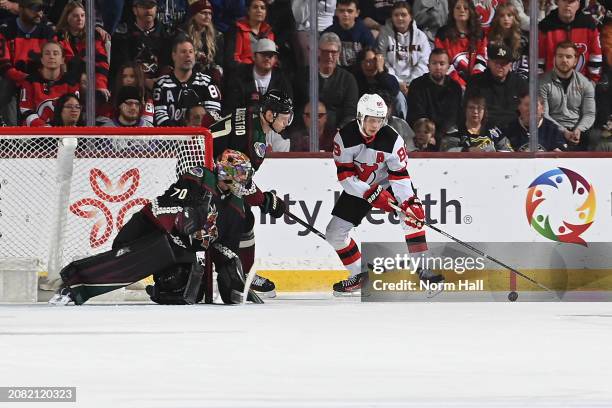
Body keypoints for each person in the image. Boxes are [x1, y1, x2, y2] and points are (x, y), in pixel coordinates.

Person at [49, 150, 256, 306]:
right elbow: (171, 209)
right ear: (227, 171)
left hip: (180, 251)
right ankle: (73, 285)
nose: (244, 179)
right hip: (150, 231)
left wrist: (234, 280)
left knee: (181, 288)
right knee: (146, 255)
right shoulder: (202, 177)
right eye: (240, 172)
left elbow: (225, 251)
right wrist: (187, 216)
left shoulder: (236, 209)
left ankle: (159, 288)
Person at [325, 93, 443, 295]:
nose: (375, 125)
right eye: (371, 120)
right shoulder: (344, 137)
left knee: (412, 217)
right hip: (358, 186)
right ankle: (361, 275)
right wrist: (369, 193)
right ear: (360, 117)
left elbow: (400, 175)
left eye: (379, 120)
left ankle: (425, 271)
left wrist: (409, 202)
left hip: (387, 182)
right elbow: (345, 176)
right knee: (334, 233)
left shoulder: (392, 140)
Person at [210, 89, 293, 297]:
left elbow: (235, 174)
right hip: (202, 176)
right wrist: (265, 200)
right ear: (269, 114)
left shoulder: (251, 118)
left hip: (206, 170)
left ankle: (242, 272)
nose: (286, 123)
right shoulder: (252, 137)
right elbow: (238, 180)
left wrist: (263, 199)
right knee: (240, 217)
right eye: (283, 118)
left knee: (244, 215)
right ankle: (239, 274)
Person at [0, 0, 55, 125]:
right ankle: (12, 135)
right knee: (7, 84)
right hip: (14, 80)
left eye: (42, 9)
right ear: (20, 8)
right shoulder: (5, 30)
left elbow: (57, 64)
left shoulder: (48, 32)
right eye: (35, 8)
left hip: (40, 80)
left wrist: (35, 79)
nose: (39, 13)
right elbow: (4, 67)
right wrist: (26, 78)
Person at [539, 40, 596, 151]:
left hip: (579, 131)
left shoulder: (585, 83)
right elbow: (543, 114)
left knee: (594, 137)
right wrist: (563, 131)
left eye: (568, 57)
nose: (564, 60)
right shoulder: (542, 82)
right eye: (560, 56)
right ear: (554, 58)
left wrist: (579, 129)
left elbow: (589, 113)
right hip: (552, 130)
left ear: (575, 61)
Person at [153, 37, 222, 127]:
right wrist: (180, 134)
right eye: (183, 52)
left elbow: (214, 114)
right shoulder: (161, 84)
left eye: (190, 52)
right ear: (174, 55)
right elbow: (159, 116)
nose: (188, 55)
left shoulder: (207, 82)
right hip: (171, 138)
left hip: (202, 137)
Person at [55, 0, 111, 101]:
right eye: (75, 16)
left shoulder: (93, 36)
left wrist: (100, 85)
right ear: (67, 17)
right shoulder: (58, 37)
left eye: (82, 15)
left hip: (89, 81)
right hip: (65, 82)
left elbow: (101, 63)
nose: (80, 19)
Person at [110, 0, 173, 88]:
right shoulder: (123, 36)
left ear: (156, 9)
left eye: (151, 6)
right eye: (143, 6)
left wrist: (160, 80)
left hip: (161, 86)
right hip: (131, 86)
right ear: (134, 10)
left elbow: (168, 65)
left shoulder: (166, 35)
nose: (148, 10)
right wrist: (143, 81)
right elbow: (121, 66)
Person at [465, 43, 528, 130]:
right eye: (496, 62)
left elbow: (526, 113)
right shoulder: (476, 82)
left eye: (503, 63)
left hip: (514, 131)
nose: (499, 66)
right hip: (484, 131)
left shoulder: (520, 83)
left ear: (510, 64)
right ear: (489, 62)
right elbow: (470, 112)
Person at [223, 38, 292, 114]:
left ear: (275, 59)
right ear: (254, 56)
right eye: (263, 54)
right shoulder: (239, 75)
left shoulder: (282, 79)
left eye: (271, 55)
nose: (267, 58)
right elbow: (231, 106)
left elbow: (287, 108)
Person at [376, 1, 431, 98]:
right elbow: (384, 61)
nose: (400, 18)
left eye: (403, 15)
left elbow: (424, 62)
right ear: (392, 17)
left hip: (417, 83)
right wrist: (398, 82)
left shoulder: (421, 36)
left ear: (410, 17)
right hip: (393, 83)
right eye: (396, 15)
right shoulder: (384, 35)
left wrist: (411, 84)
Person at [538, 0, 602, 82]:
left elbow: (595, 56)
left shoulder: (588, 25)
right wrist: (541, 84)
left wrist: (593, 82)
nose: (567, 5)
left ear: (578, 4)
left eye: (571, 1)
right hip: (551, 85)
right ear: (557, 2)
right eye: (564, 1)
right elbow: (538, 60)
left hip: (581, 85)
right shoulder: (545, 26)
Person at [407, 48, 463, 142]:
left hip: (446, 135)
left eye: (442, 64)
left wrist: (437, 136)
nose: (438, 67)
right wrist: (428, 134)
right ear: (428, 66)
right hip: (421, 134)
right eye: (434, 63)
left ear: (448, 67)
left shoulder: (455, 87)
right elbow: (416, 114)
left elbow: (452, 117)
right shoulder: (416, 85)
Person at [19, 41, 81, 126]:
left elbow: (74, 111)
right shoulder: (30, 81)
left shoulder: (71, 82)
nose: (51, 57)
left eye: (55, 53)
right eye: (47, 53)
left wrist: (57, 130)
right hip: (34, 134)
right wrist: (42, 127)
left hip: (63, 133)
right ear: (41, 59)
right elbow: (25, 109)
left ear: (62, 59)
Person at [434, 0, 487, 89]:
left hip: (476, 84)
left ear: (471, 11)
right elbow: (444, 63)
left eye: (465, 8)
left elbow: (481, 59)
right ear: (452, 11)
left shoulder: (479, 33)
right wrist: (460, 84)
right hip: (450, 85)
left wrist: (474, 83)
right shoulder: (443, 34)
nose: (462, 10)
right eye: (458, 8)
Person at [441, 93, 512, 152]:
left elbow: (509, 151)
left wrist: (494, 153)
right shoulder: (455, 131)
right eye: (471, 108)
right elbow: (446, 151)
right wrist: (467, 150)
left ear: (484, 111)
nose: (475, 112)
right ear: (465, 110)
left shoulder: (494, 131)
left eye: (479, 108)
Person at [178, 0, 224, 86]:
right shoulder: (182, 33)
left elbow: (219, 61)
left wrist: (217, 71)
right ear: (194, 15)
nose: (207, 16)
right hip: (186, 77)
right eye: (203, 13)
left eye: (209, 13)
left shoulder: (217, 36)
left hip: (209, 78)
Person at [224, 0, 274, 73]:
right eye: (255, 7)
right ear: (248, 11)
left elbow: (272, 60)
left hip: (265, 74)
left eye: (262, 8)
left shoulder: (269, 32)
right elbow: (232, 60)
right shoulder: (236, 30)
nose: (259, 10)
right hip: (243, 74)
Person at [322, 0, 375, 68]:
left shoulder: (365, 34)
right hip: (336, 74)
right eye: (341, 11)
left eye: (350, 11)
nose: (345, 14)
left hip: (359, 74)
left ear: (357, 13)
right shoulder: (329, 34)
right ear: (336, 12)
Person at [487, 2, 529, 79]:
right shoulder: (491, 40)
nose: (506, 19)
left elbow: (524, 68)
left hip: (517, 82)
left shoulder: (523, 41)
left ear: (515, 17)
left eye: (509, 15)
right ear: (497, 19)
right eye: (502, 16)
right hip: (495, 80)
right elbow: (489, 66)